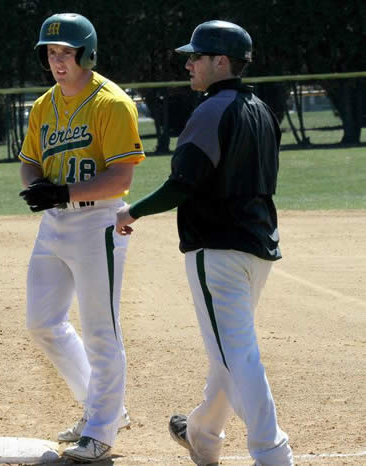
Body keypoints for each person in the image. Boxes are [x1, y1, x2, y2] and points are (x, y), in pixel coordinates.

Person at [116, 20, 293, 466]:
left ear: (221, 61)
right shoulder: (262, 110)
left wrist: (132, 211)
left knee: (236, 355)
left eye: (196, 56)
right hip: (257, 246)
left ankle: (273, 453)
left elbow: (183, 183)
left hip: (217, 248)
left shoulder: (212, 110)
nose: (189, 64)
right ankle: (203, 435)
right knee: (228, 352)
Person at [18, 13, 145, 462]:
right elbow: (30, 160)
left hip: (97, 224)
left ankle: (101, 431)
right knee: (42, 322)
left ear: (86, 54)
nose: (58, 61)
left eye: (67, 53)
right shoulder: (43, 105)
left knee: (100, 330)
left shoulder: (112, 103)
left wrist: (64, 192)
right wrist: (38, 187)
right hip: (55, 223)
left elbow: (121, 178)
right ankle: (103, 409)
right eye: (51, 53)